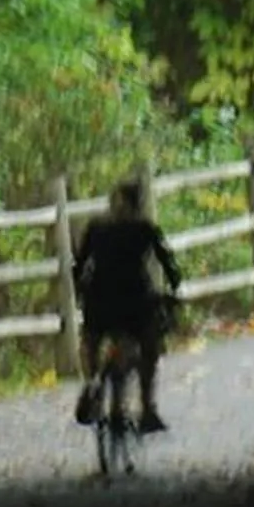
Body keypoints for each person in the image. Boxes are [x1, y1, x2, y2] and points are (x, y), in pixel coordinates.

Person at [72, 179, 184, 433]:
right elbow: (169, 264)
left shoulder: (96, 227)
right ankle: (147, 408)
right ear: (138, 204)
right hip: (135, 302)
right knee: (149, 346)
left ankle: (91, 381)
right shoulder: (144, 228)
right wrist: (175, 289)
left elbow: (79, 265)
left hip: (98, 301)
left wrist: (80, 291)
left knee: (90, 339)